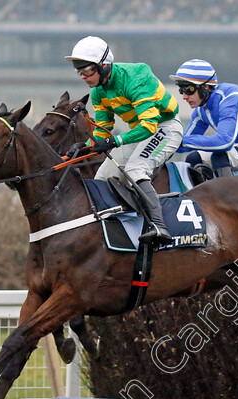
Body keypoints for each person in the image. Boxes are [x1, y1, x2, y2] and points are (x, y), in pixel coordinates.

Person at [65, 36, 182, 247]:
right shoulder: (98, 91)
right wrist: (86, 147)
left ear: (104, 66)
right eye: (78, 71)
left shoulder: (136, 77)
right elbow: (103, 130)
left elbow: (149, 126)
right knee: (103, 176)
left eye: (86, 70)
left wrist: (114, 141)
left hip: (164, 128)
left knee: (136, 168)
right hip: (137, 133)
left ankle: (158, 226)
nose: (82, 76)